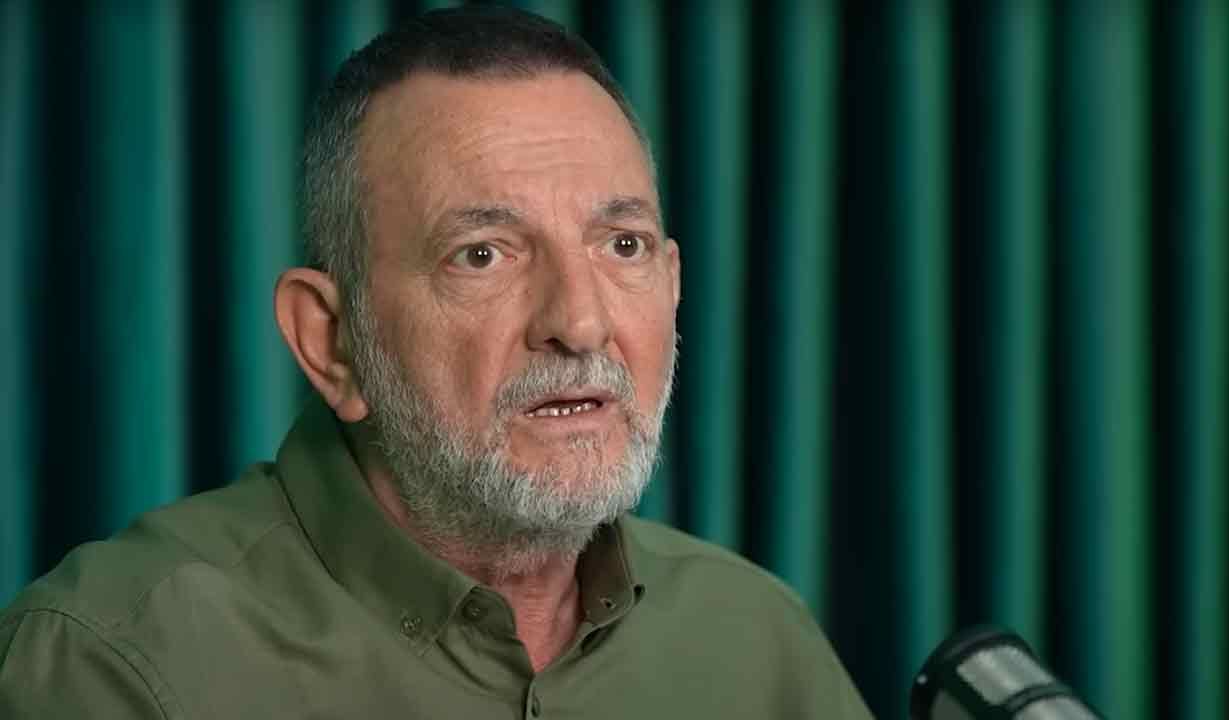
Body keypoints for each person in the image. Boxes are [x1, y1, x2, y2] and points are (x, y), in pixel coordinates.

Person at [0, 7, 873, 718]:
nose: (580, 322)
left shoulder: (757, 640)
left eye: (622, 244)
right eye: (482, 255)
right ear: (329, 341)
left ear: (672, 283)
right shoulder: (114, 663)